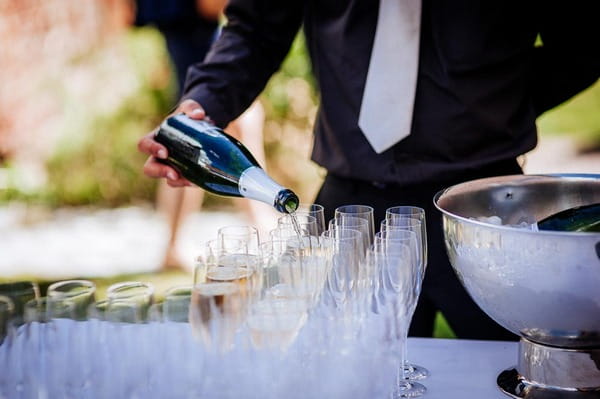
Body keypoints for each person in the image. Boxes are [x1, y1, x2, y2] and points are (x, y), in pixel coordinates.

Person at [138, 1, 599, 339]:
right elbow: (258, 26)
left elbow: (583, 43)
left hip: (483, 206)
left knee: (506, 372)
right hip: (348, 208)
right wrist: (204, 104)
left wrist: (504, 105)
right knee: (340, 376)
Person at [133, 0, 272, 270]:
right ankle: (260, 223)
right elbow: (211, 6)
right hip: (200, 55)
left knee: (193, 146)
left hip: (205, 53)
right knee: (188, 146)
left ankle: (258, 222)